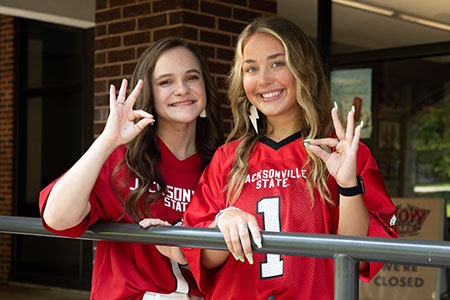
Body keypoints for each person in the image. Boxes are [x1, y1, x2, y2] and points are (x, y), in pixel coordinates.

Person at [182, 16, 398, 300]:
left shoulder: (339, 151)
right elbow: (204, 260)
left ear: (304, 70)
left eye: (277, 63)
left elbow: (355, 254)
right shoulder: (227, 158)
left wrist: (347, 184)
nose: (264, 80)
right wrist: (223, 223)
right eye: (251, 68)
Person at [39, 37, 224, 300]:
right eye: (166, 82)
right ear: (149, 92)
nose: (182, 89)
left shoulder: (224, 162)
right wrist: (107, 141)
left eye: (192, 77)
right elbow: (57, 218)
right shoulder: (122, 161)